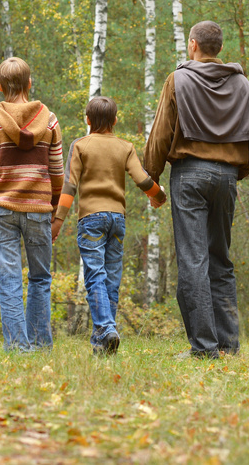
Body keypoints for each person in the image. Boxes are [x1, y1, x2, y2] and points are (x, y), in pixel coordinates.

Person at [144, 21, 249, 358]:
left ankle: (203, 348)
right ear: (219, 48)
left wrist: (150, 178)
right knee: (220, 261)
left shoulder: (178, 80)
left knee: (193, 261)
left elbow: (160, 134)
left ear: (194, 44)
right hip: (226, 178)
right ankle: (229, 345)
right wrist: (235, 171)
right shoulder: (244, 85)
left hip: (188, 176)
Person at [52, 96, 166, 355]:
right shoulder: (125, 147)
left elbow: (69, 186)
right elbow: (142, 178)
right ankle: (102, 344)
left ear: (88, 120)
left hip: (91, 219)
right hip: (118, 220)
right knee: (111, 279)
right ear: (115, 120)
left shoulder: (80, 145)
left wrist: (58, 220)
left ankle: (105, 327)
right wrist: (158, 195)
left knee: (95, 276)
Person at [0, 57, 64, 352]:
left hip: (2, 210)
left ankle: (18, 348)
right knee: (40, 278)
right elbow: (58, 172)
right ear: (29, 84)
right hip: (38, 209)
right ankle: (39, 344)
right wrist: (54, 208)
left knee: (9, 279)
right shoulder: (49, 121)